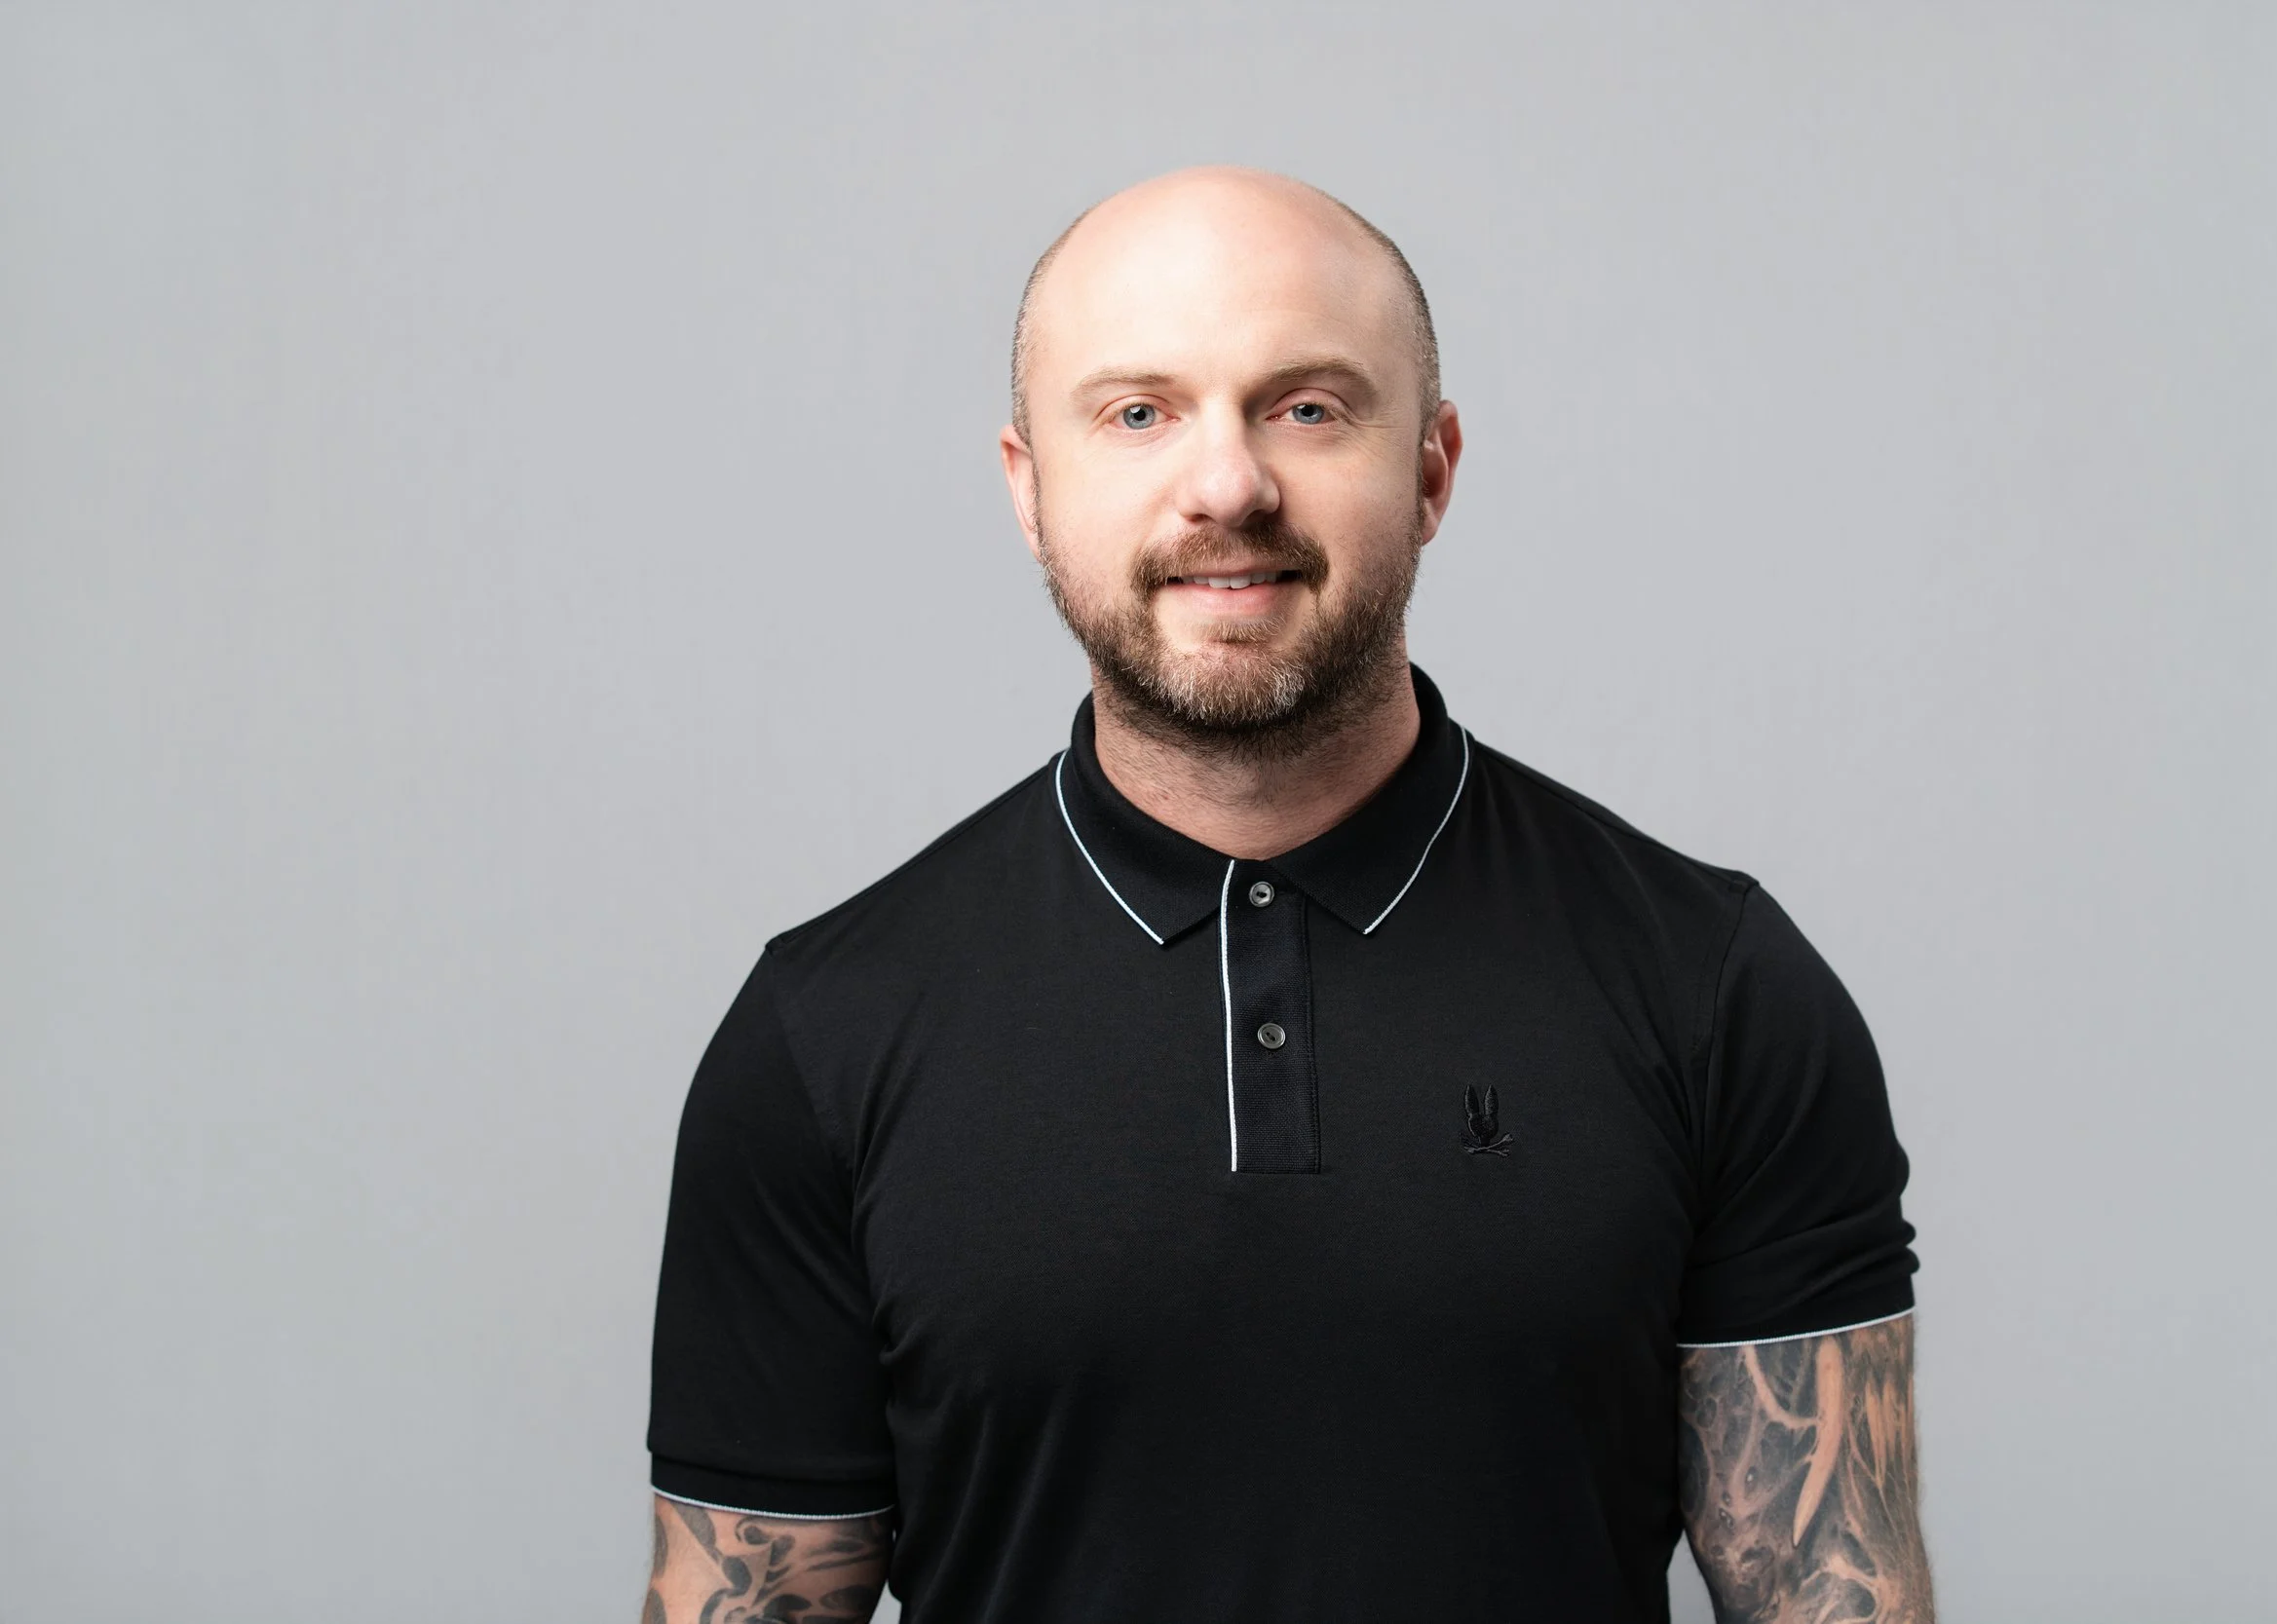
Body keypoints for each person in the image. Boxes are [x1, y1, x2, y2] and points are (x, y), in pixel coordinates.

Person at [640, 166, 1931, 1624]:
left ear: (1434, 468)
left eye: (1308, 407)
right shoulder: (822, 1040)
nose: (1228, 485)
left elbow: (1840, 1595)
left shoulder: (1716, 989)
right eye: (1139, 413)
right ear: (1029, 489)